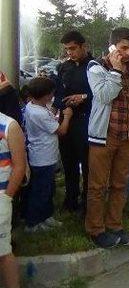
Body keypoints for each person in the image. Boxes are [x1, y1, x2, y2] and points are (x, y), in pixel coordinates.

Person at [85, 27, 129, 249]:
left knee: (120, 184)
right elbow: (103, 95)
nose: (128, 53)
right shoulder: (96, 67)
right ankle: (96, 229)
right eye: (123, 48)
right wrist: (117, 71)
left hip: (128, 135)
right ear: (112, 47)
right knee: (98, 185)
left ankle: (114, 225)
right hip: (105, 136)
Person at [51, 31, 94, 213]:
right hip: (66, 120)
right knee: (69, 163)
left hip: (86, 121)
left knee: (87, 165)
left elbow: (102, 95)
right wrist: (64, 104)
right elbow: (57, 94)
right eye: (67, 49)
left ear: (83, 46)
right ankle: (70, 201)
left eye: (73, 48)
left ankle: (87, 204)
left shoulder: (95, 67)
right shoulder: (63, 68)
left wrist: (84, 97)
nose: (70, 53)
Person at [23, 77, 72, 232]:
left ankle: (45, 216)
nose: (53, 96)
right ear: (45, 95)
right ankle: (33, 223)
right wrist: (68, 116)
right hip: (42, 158)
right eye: (51, 94)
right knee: (41, 191)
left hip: (44, 157)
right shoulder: (39, 114)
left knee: (48, 189)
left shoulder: (32, 106)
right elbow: (61, 130)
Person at [0, 111, 27, 288]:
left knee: (2, 252)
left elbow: (19, 167)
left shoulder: (9, 125)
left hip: (1, 199)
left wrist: (6, 197)